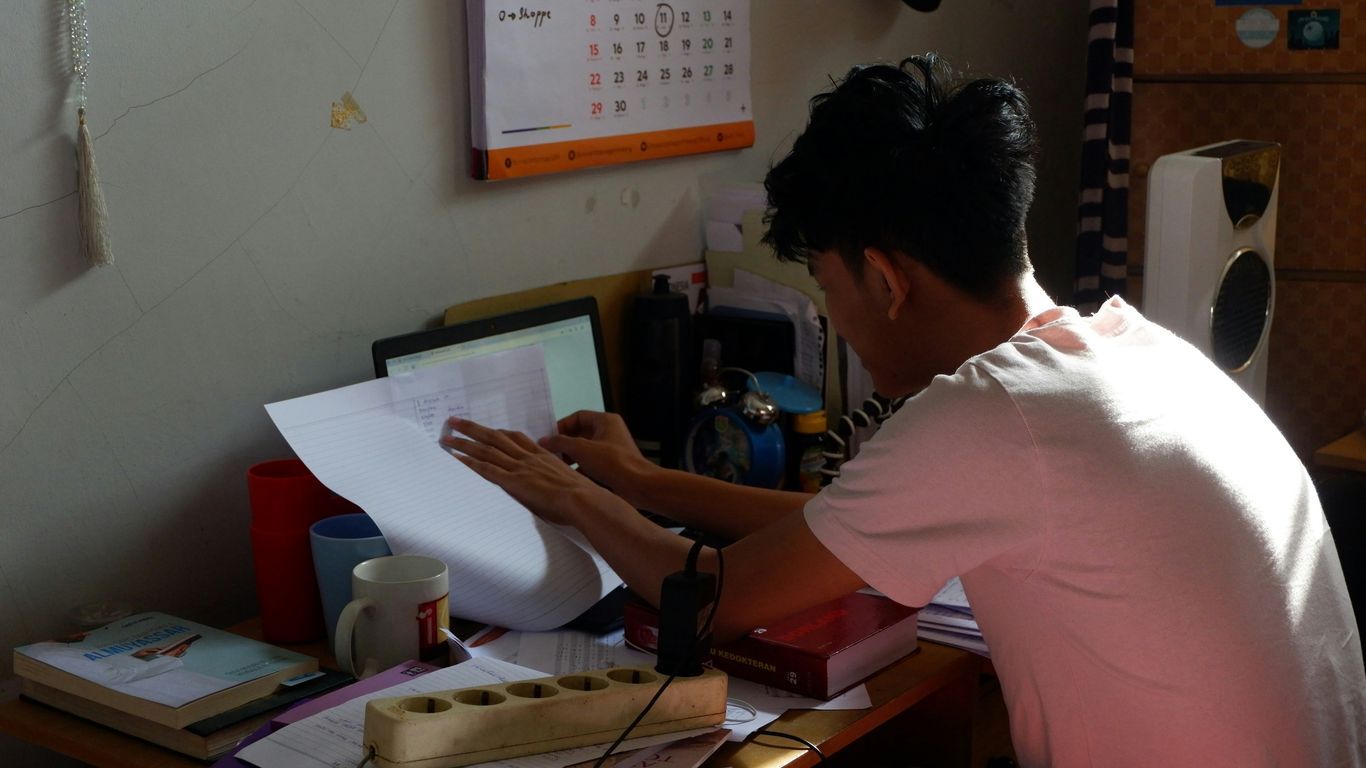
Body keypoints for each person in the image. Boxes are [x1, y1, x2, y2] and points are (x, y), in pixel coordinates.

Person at [442, 54, 1366, 766]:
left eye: (826, 286)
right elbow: (840, 532)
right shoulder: (1125, 351)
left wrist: (571, 498)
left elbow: (714, 598)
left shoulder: (989, 412)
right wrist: (642, 479)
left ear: (883, 279)